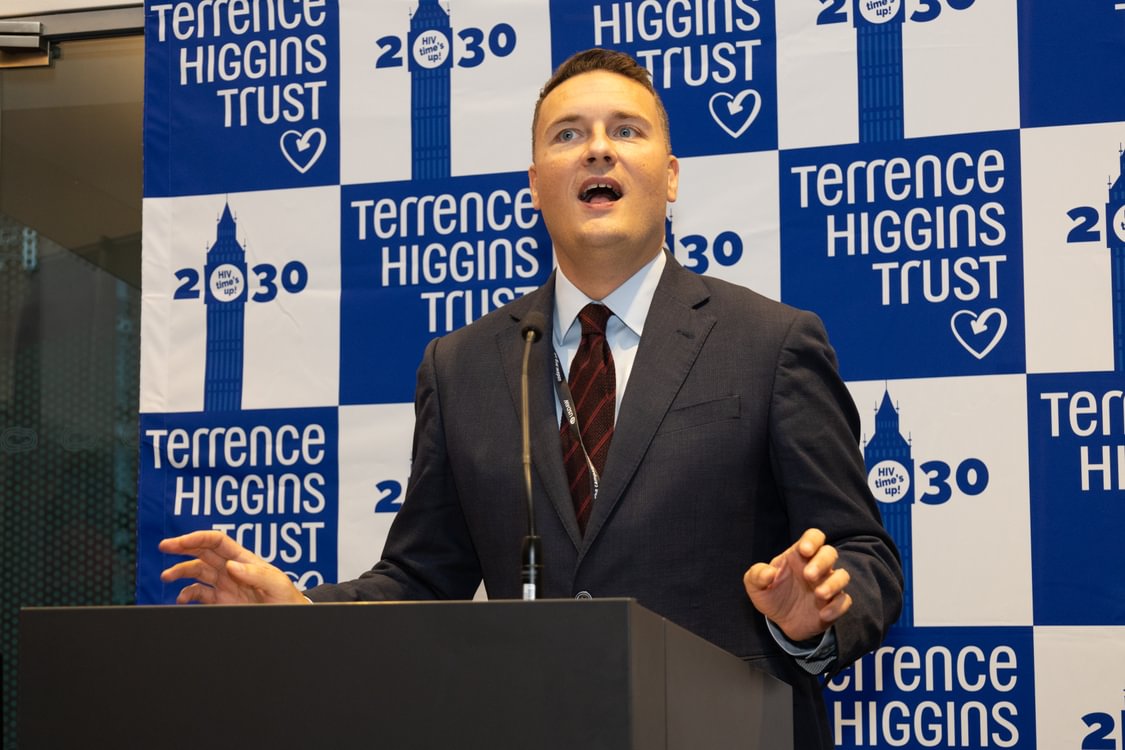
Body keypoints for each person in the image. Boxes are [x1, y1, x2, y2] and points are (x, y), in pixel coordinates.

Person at [160, 48, 902, 749]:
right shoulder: (461, 366)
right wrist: (300, 613)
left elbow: (865, 554)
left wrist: (815, 616)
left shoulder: (771, 342)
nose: (598, 149)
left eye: (627, 131)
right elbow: (423, 578)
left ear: (670, 176)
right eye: (568, 134)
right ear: (534, 184)